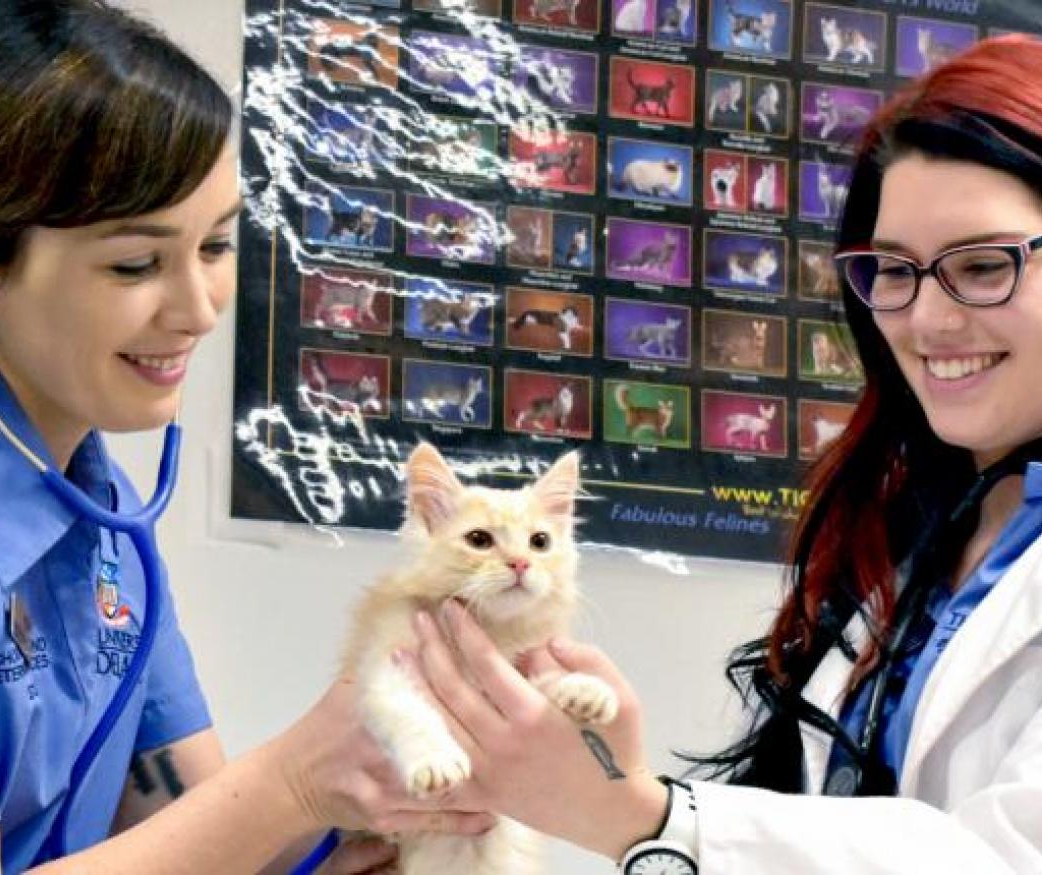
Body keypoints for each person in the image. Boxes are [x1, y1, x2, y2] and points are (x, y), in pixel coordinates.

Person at [0, 2, 487, 873]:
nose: (200, 309)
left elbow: (191, 815)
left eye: (218, 244)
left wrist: (378, 819)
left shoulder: (103, 510)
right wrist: (294, 781)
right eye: (136, 263)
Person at [408, 34, 1042, 873]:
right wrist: (622, 786)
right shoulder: (924, 529)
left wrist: (644, 814)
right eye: (893, 269)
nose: (924, 320)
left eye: (985, 263)